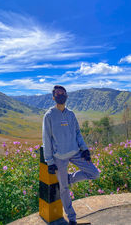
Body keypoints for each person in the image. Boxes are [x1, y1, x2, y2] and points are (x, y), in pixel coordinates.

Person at [42, 85, 100, 225]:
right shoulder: (49, 115)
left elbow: (78, 133)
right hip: (59, 158)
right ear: (53, 96)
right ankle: (72, 218)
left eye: (63, 93)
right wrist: (49, 161)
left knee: (94, 173)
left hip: (75, 153)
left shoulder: (71, 114)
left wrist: (84, 149)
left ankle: (68, 179)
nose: (60, 95)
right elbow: (46, 139)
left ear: (66, 96)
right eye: (57, 93)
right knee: (64, 190)